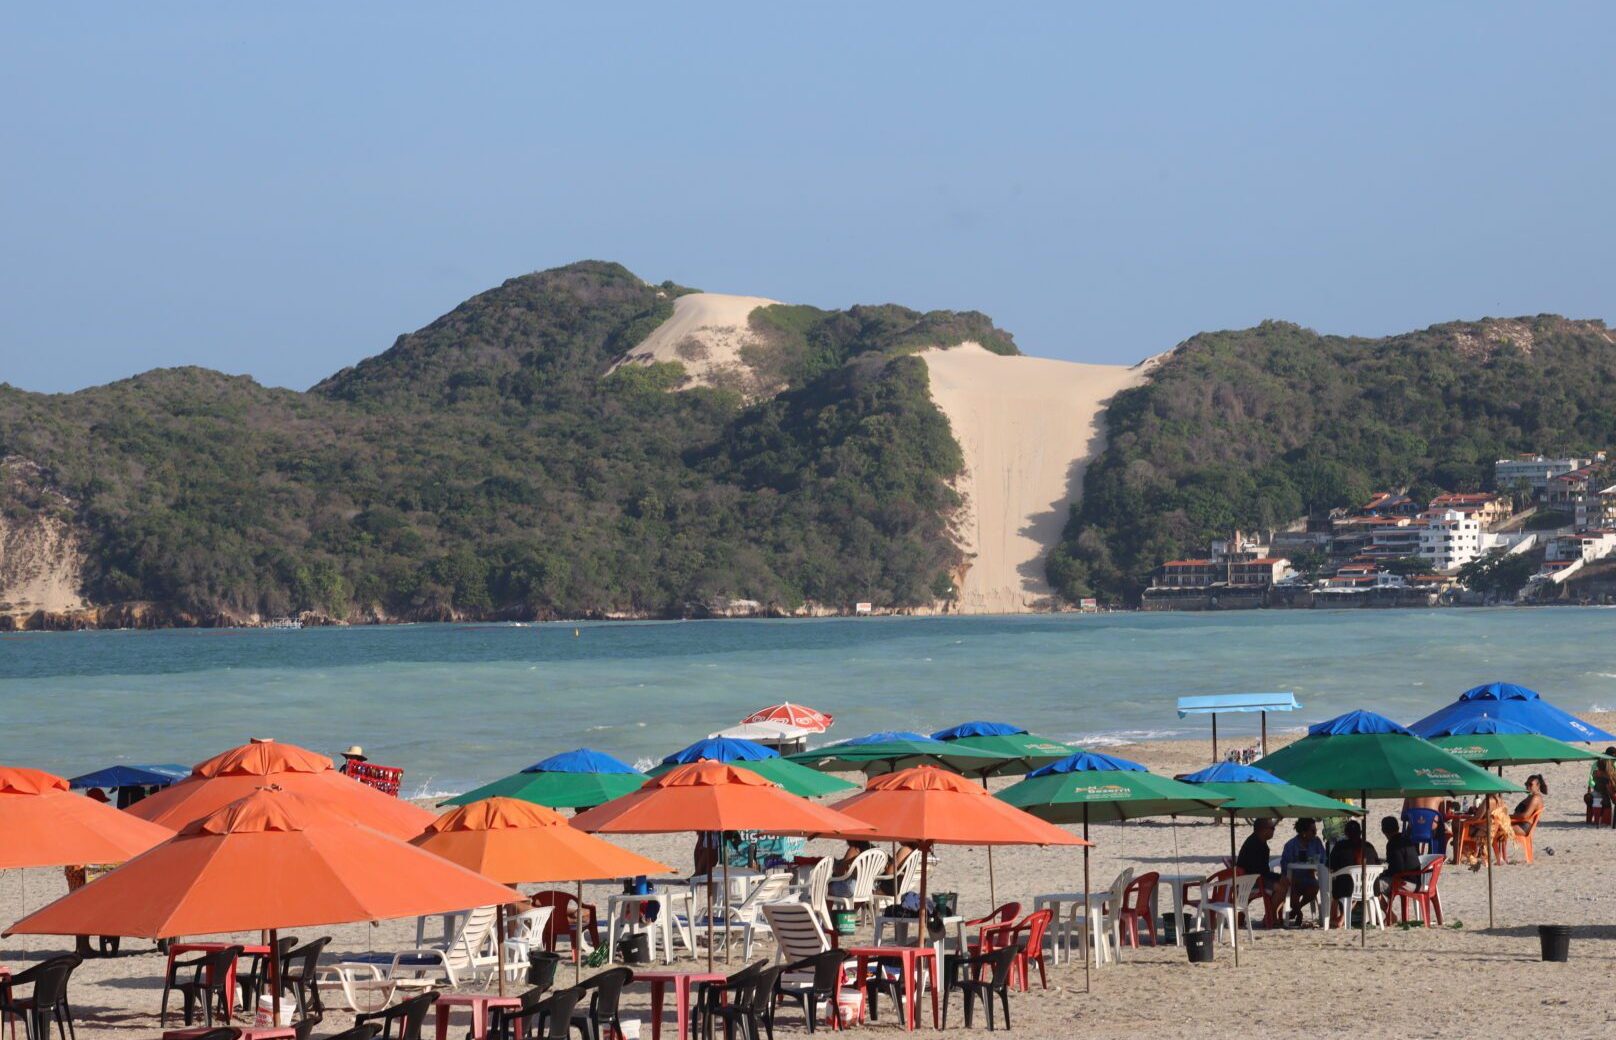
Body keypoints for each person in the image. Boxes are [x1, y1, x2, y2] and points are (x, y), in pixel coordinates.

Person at [1235, 818, 1289, 926]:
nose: (1274, 830)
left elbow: (1262, 870)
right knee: (1282, 888)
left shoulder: (1259, 842)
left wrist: (1278, 877)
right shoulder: (1255, 845)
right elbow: (1259, 872)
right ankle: (1270, 916)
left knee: (1285, 882)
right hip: (1250, 881)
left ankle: (1270, 916)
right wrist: (1278, 877)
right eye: (1272, 828)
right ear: (1263, 830)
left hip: (1252, 878)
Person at [1327, 819, 1380, 924]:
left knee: (1334, 885)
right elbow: (1377, 865)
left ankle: (1336, 918)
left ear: (1346, 833)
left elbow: (1330, 866)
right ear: (1360, 832)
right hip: (1369, 888)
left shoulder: (1340, 846)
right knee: (1366, 885)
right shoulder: (1368, 846)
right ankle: (1386, 914)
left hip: (1347, 888)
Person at [1279, 817, 1326, 924]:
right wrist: (1290, 876)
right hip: (1295, 878)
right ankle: (1299, 913)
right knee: (1292, 892)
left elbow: (1324, 859)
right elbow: (1284, 864)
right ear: (1304, 832)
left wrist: (1315, 867)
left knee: (1314, 887)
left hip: (1309, 878)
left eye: (1316, 830)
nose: (1315, 833)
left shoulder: (1316, 842)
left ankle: (1296, 910)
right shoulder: (1291, 845)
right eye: (1313, 831)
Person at [1379, 815, 1420, 900]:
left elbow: (1397, 868)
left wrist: (1382, 873)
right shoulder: (1406, 839)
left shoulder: (1392, 844)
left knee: (1373, 885)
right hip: (1417, 880)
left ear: (1383, 831)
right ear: (1398, 828)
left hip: (1406, 883)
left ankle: (1388, 912)